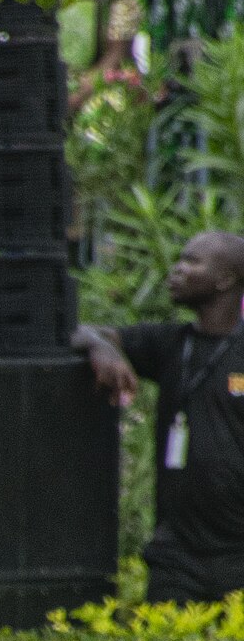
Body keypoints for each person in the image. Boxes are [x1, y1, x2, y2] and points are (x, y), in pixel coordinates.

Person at [76, 228, 244, 601]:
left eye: (191, 261)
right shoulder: (169, 344)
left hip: (237, 556)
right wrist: (102, 348)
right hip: (177, 558)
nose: (176, 270)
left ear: (225, 279)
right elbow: (79, 331)